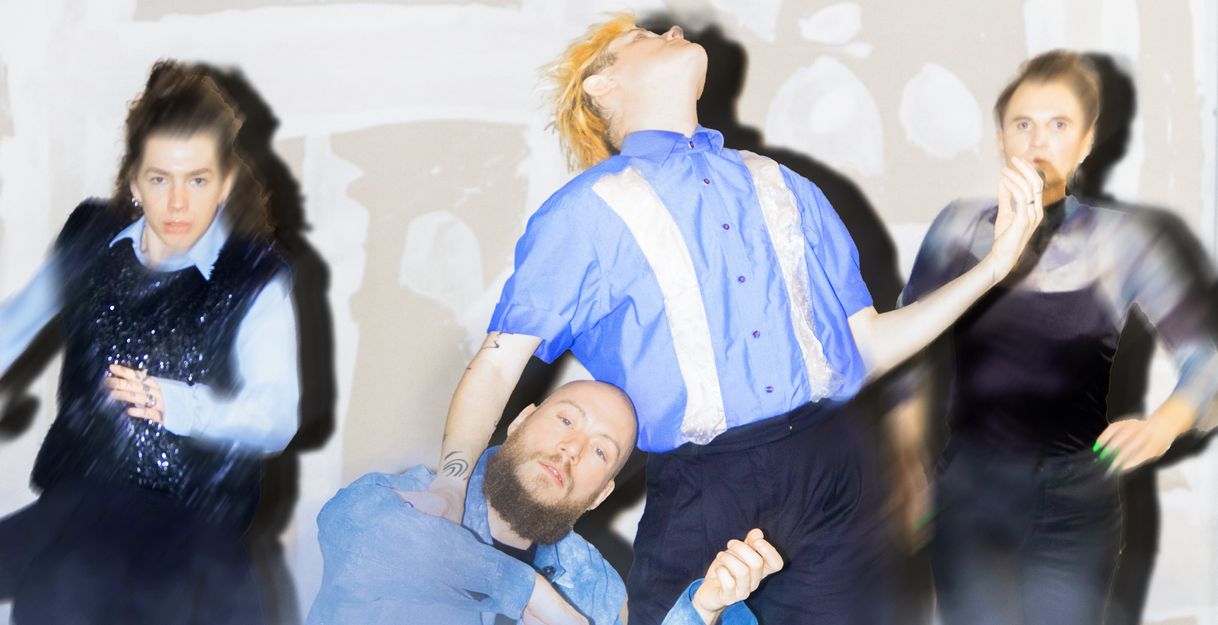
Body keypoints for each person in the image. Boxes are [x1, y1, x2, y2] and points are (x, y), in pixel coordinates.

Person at [415, 14, 1049, 625]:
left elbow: (867, 345)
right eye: (642, 36)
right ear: (601, 85)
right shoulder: (585, 212)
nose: (672, 28)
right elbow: (498, 363)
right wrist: (451, 485)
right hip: (705, 483)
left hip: (836, 465)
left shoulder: (784, 184)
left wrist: (995, 266)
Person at [891, 50, 1218, 625]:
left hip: (1077, 502)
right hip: (970, 493)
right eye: (1023, 124)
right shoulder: (957, 227)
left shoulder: (1126, 240)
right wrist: (905, 458)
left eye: (1059, 124)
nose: (1038, 140)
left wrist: (1165, 425)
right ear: (1001, 140)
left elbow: (1206, 359)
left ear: (1087, 141)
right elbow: (904, 349)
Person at [0, 61, 299, 624]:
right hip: (84, 511)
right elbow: (13, 325)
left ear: (226, 181)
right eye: (160, 179)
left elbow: (276, 416)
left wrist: (173, 402)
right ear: (135, 181)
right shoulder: (91, 236)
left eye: (198, 180)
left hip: (191, 529)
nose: (179, 204)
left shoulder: (255, 275)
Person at [309, 380, 782, 625]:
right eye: (566, 421)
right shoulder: (401, 504)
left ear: (600, 495)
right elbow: (357, 531)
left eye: (601, 451)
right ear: (519, 424)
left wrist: (706, 607)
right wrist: (535, 597)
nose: (571, 450)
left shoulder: (593, 585)